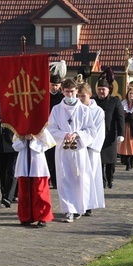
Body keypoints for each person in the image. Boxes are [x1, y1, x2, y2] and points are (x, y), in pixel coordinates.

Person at [47, 79, 96, 223]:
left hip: (78, 149)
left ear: (77, 92)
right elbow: (51, 128)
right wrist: (63, 135)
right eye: (67, 91)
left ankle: (80, 207)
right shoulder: (56, 109)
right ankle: (68, 209)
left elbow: (91, 130)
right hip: (63, 149)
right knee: (64, 178)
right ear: (63, 91)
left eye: (73, 91)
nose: (70, 94)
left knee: (79, 178)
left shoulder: (84, 109)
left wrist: (78, 134)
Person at [12, 129, 55, 228]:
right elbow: (15, 146)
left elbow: (46, 145)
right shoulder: (20, 128)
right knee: (24, 191)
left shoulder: (41, 128)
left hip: (38, 162)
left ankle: (42, 217)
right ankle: (25, 217)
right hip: (23, 161)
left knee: (40, 191)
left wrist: (33, 140)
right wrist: (23, 139)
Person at [77, 83, 105, 216]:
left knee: (90, 176)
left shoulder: (98, 111)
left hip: (90, 149)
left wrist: (86, 143)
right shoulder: (76, 109)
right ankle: (77, 203)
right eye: (79, 96)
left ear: (90, 95)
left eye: (83, 96)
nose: (81, 98)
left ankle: (88, 204)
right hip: (77, 148)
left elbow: (98, 132)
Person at [93, 78, 125, 189]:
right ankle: (102, 181)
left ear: (108, 90)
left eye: (103, 89)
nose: (101, 91)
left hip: (110, 134)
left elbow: (120, 118)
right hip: (96, 136)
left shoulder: (115, 101)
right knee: (99, 160)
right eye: (99, 89)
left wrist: (121, 133)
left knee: (111, 161)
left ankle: (110, 178)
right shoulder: (93, 101)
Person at [46, 74, 64, 189]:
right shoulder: (44, 97)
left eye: (57, 85)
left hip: (58, 130)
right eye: (53, 85)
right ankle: (47, 179)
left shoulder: (62, 98)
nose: (54, 88)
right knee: (47, 156)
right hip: (46, 130)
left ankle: (56, 180)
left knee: (57, 157)